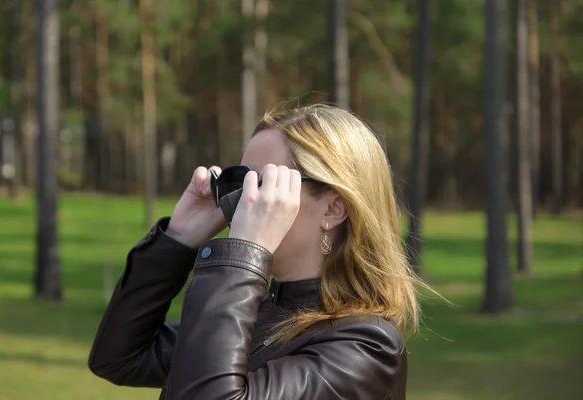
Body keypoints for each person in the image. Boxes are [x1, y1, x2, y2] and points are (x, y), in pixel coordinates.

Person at [88, 104, 422, 399]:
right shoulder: (258, 315)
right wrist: (178, 240)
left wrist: (241, 256)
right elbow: (119, 358)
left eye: (265, 185)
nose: (246, 200)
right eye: (239, 183)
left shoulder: (365, 349)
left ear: (334, 208)